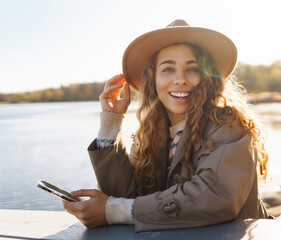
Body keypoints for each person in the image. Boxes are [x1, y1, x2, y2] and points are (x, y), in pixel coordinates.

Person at [63, 19, 269, 232]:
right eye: (168, 69)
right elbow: (124, 197)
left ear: (206, 77)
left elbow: (215, 196)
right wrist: (111, 123)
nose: (180, 79)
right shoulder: (149, 134)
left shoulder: (227, 124)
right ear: (153, 79)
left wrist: (113, 210)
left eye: (192, 69)